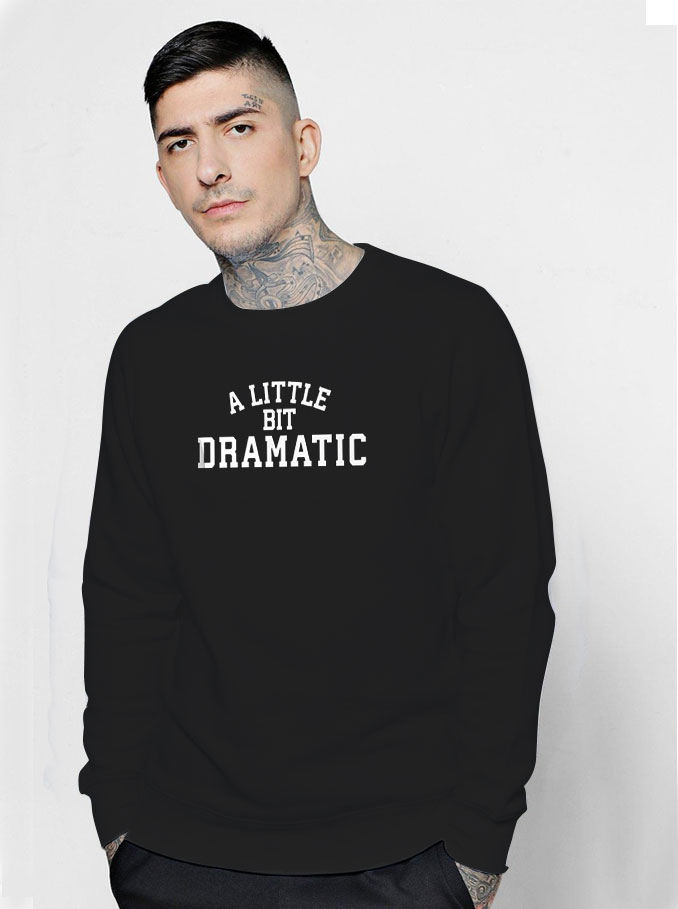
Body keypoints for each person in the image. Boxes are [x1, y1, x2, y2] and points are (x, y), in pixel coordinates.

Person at [78, 20, 557, 909]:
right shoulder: (151, 357)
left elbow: (505, 599)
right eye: (179, 143)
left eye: (239, 126)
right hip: (180, 852)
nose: (209, 166)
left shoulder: (450, 331)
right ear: (162, 175)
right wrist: (120, 820)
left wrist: (476, 848)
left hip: (400, 858)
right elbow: (124, 597)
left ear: (304, 145)